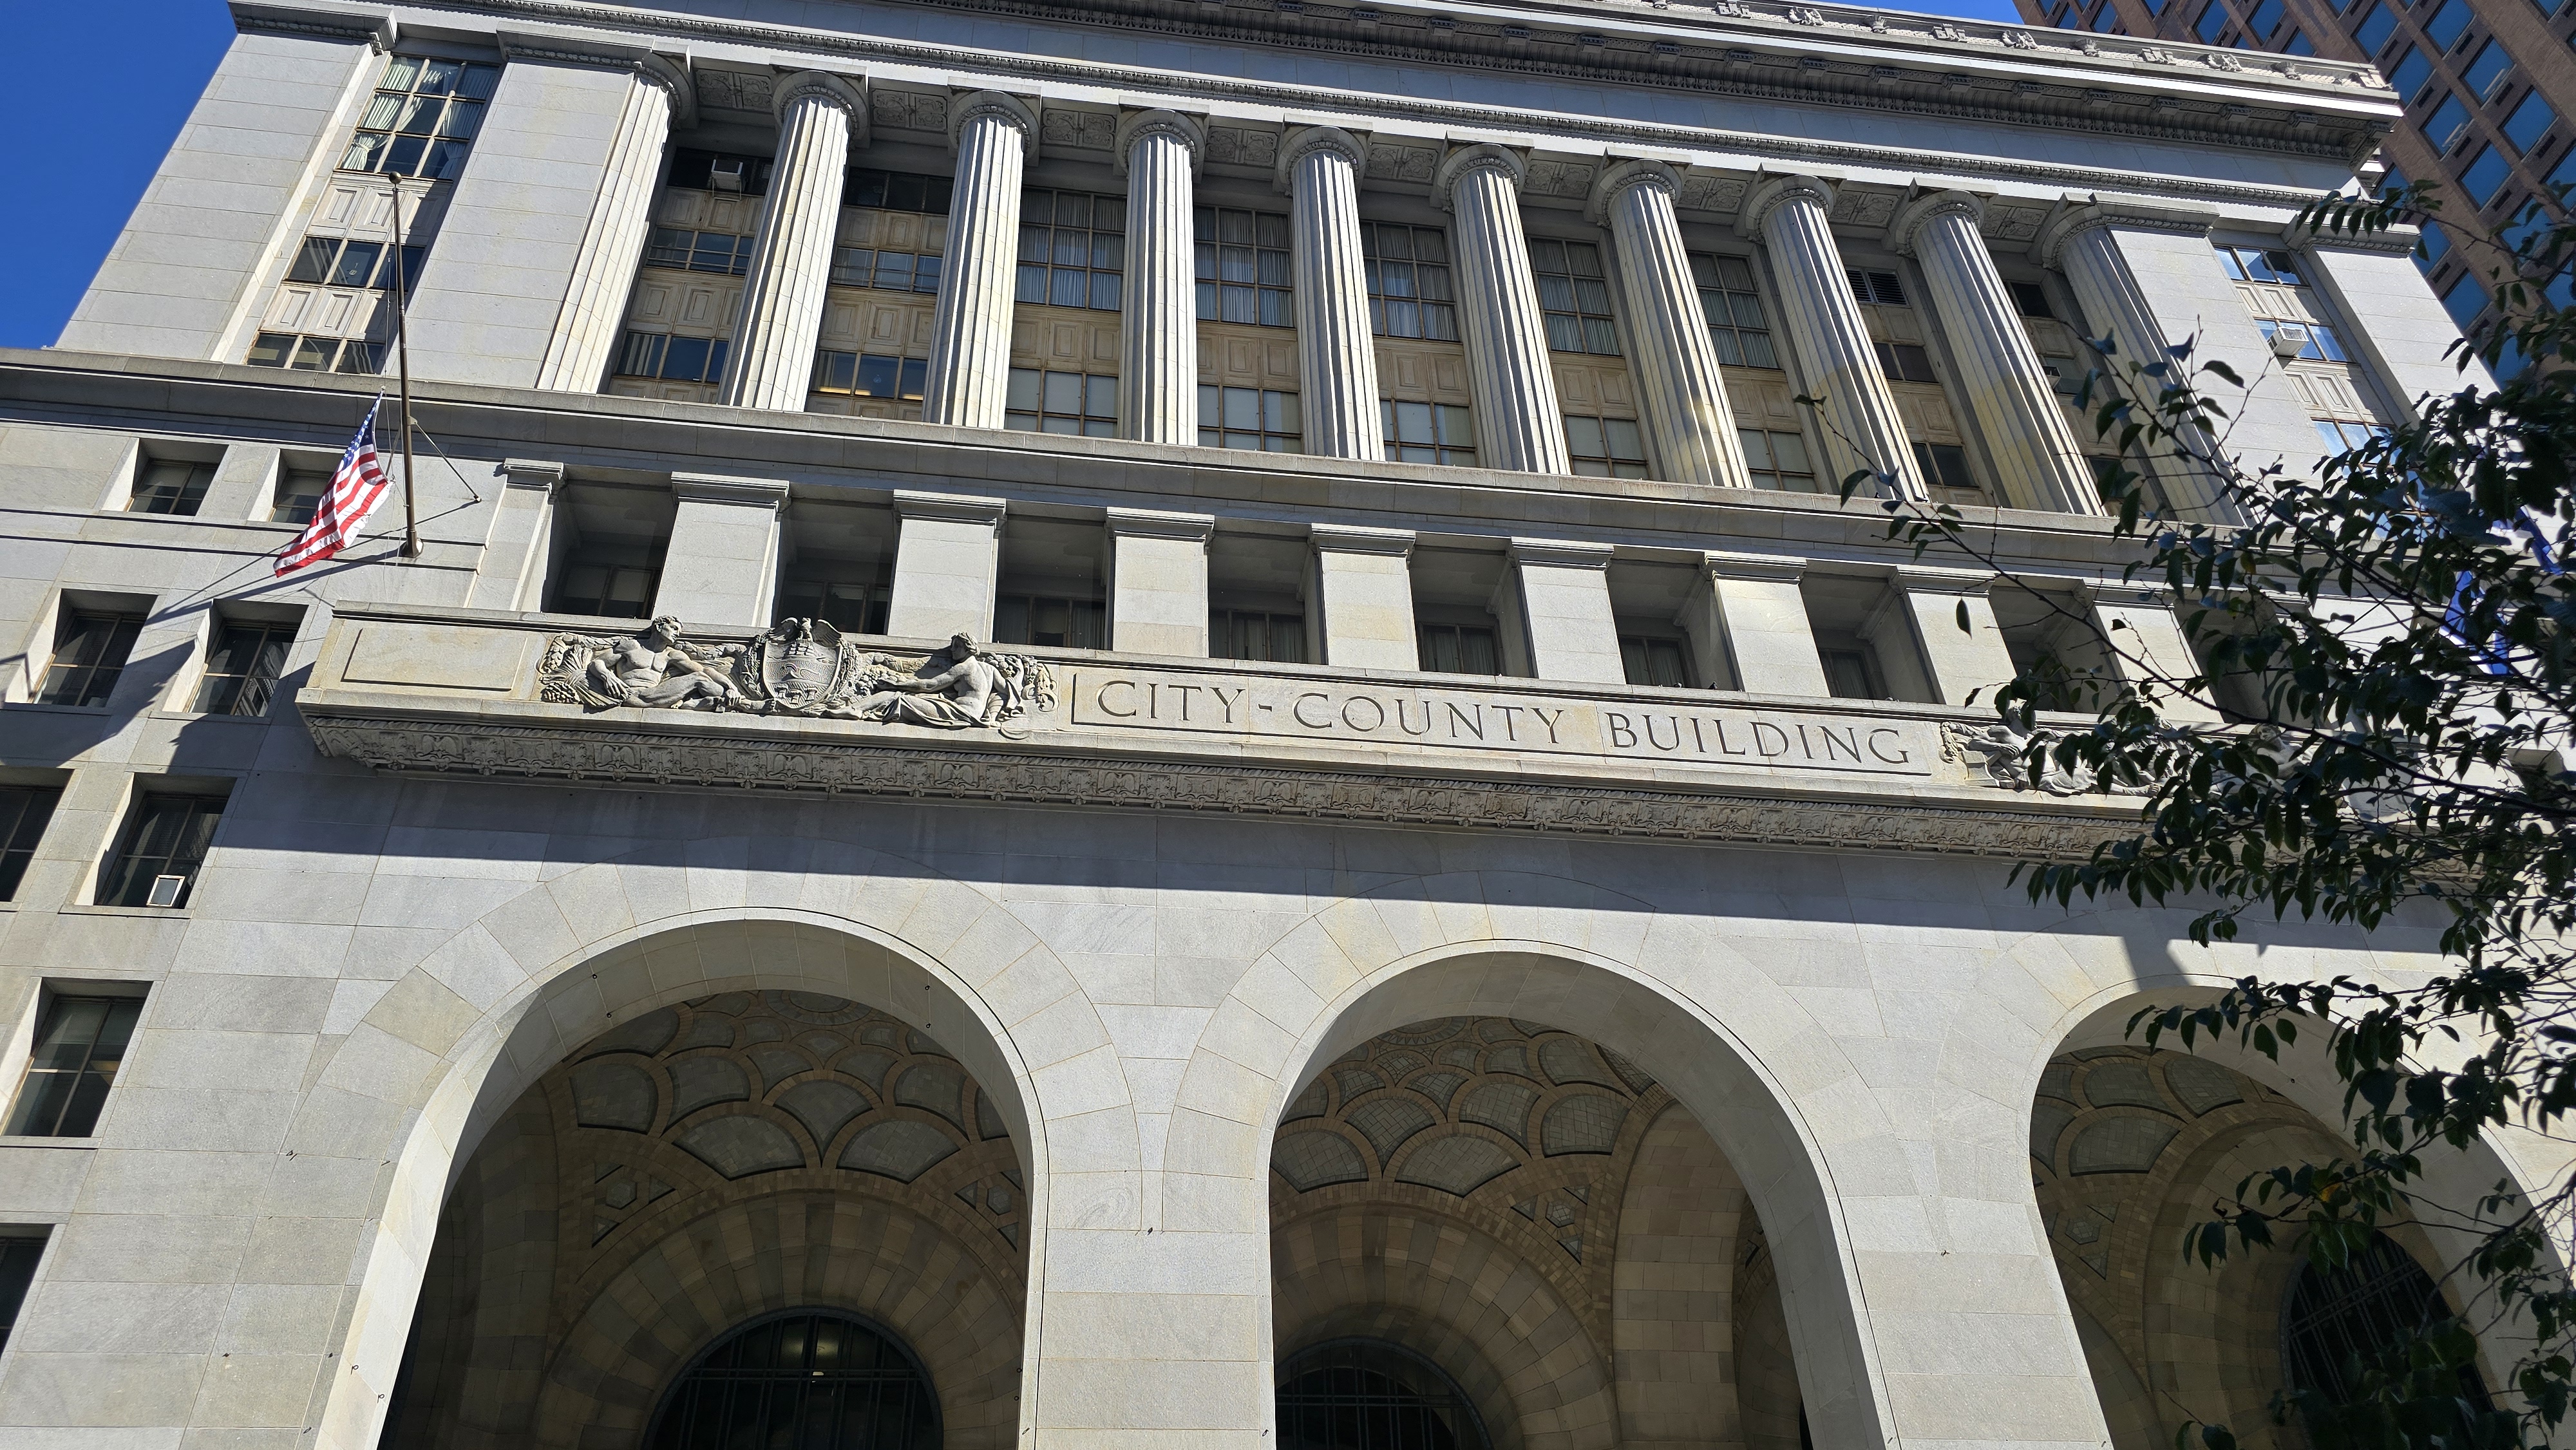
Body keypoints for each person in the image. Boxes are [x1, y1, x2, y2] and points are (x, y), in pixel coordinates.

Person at [583, 616, 742, 710]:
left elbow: (704, 670)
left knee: (704, 679)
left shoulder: (671, 655)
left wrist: (732, 687)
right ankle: (731, 703)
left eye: (679, 632)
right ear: (659, 627)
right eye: (674, 628)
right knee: (699, 678)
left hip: (654, 694)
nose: (677, 634)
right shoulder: (633, 646)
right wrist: (608, 677)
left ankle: (722, 700)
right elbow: (597, 663)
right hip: (631, 694)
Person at [848, 634, 1000, 728]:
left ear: (968, 649)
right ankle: (855, 709)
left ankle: (856, 709)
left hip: (958, 714)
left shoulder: (963, 667)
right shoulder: (990, 669)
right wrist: (993, 716)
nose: (952, 650)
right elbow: (1007, 691)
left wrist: (897, 684)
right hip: (964, 712)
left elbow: (929, 685)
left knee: (899, 699)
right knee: (902, 697)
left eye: (957, 646)